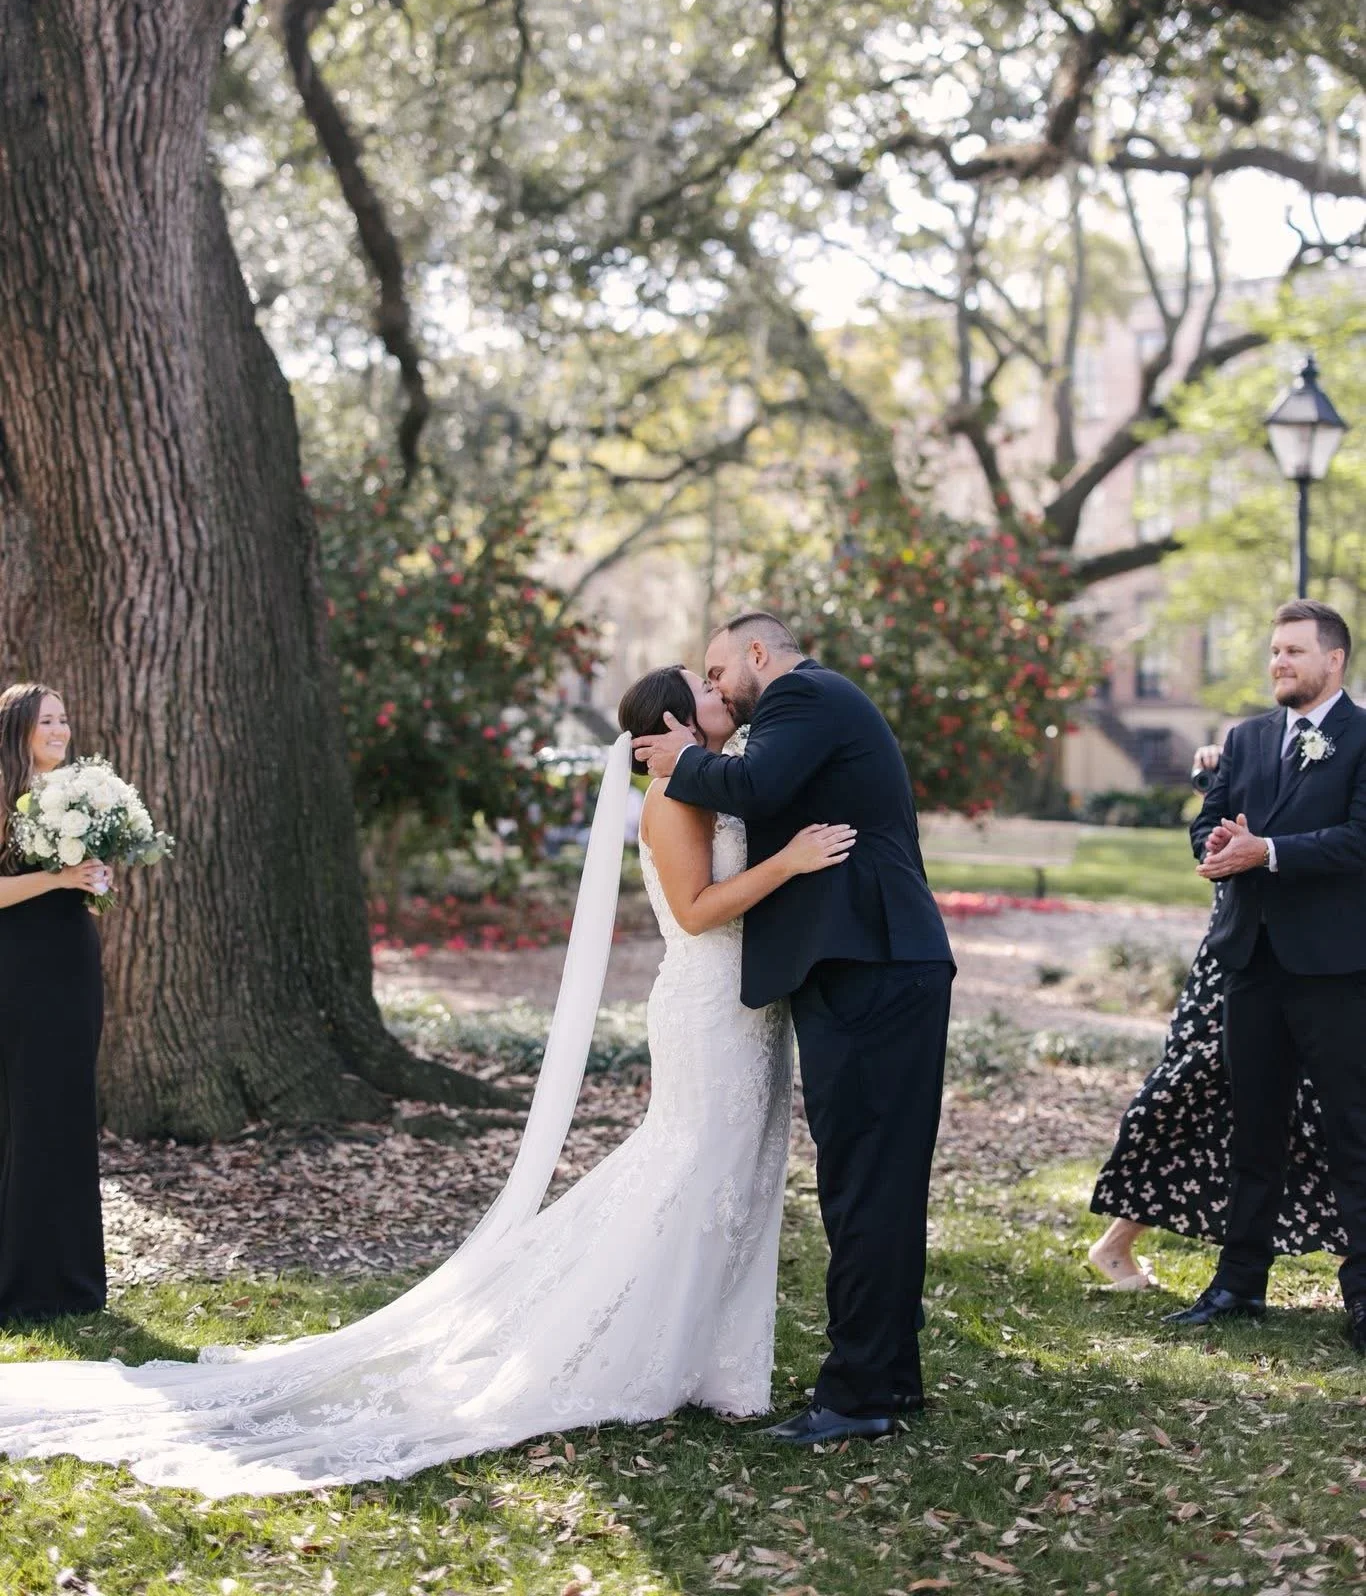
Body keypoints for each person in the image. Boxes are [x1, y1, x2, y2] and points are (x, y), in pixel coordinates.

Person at [0, 665, 850, 1495]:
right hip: (704, 1009)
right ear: (668, 724)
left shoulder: (716, 782)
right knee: (691, 1175)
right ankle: (642, 1349)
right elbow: (700, 909)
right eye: (704, 686)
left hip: (744, 1011)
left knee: (730, 1180)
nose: (721, 691)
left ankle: (712, 1360)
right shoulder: (674, 798)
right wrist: (792, 864)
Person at [634, 611, 954, 1446]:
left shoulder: (801, 697)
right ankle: (887, 1380)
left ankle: (855, 1399)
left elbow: (756, 789)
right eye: (701, 685)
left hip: (874, 969)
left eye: (716, 672)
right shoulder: (803, 709)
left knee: (865, 1186)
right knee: (872, 1185)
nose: (714, 689)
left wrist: (681, 762)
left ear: (756, 653)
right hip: (864, 968)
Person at [1162, 600, 1366, 1349]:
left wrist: (1268, 851)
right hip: (1250, 964)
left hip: (1338, 970)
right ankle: (1239, 1284)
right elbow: (1205, 824)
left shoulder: (1363, 737)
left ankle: (1364, 1298)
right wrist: (1216, 842)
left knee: (1354, 1131)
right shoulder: (1245, 740)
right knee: (1252, 1132)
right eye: (1274, 651)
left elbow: (1358, 841)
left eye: (1293, 652)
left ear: (1334, 660)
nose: (1278, 662)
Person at [1087, 745, 1341, 1292]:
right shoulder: (1267, 742)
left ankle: (1353, 1264)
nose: (1282, 661)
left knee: (1323, 1108)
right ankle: (1116, 1244)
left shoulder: (1347, 742)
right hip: (1239, 960)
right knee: (1193, 1088)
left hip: (1314, 958)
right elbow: (1226, 827)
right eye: (1278, 650)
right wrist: (1216, 776)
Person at [0, 683, 112, 1323]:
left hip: (71, 960)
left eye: (65, 718)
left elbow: (81, 891)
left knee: (67, 1113)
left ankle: (69, 1282)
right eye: (47, 720)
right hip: (17, 965)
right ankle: (20, 1283)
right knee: (25, 1113)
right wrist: (58, 877)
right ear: (19, 729)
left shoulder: (83, 793)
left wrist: (95, 880)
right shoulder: (5, 796)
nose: (61, 729)